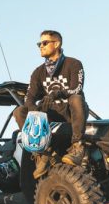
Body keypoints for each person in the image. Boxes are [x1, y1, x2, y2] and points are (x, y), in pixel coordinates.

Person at [13, 30, 88, 178]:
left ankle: (78, 147)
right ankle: (43, 153)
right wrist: (35, 112)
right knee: (20, 111)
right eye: (39, 44)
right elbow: (29, 98)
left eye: (45, 43)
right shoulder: (38, 72)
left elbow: (77, 88)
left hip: (70, 113)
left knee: (76, 98)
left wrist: (58, 93)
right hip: (50, 117)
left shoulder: (73, 64)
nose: (41, 46)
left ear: (57, 44)